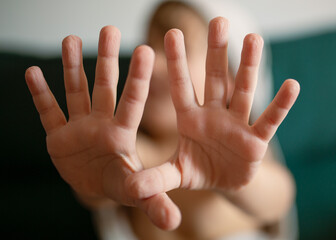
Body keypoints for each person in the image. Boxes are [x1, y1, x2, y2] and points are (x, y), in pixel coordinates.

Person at [25, 0, 300, 239]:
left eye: (175, 51)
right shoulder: (121, 151)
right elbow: (97, 190)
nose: (151, 64)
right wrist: (94, 186)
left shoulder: (241, 152)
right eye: (147, 45)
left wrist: (242, 182)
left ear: (228, 80)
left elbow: (279, 197)